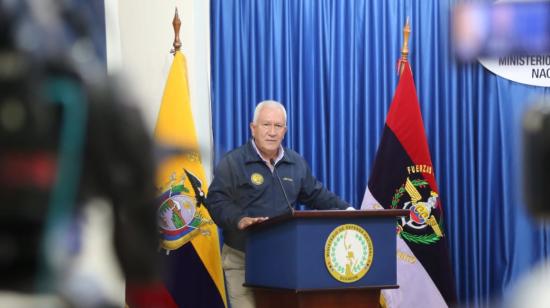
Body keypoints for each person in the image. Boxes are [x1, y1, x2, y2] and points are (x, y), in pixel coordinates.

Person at [205, 100, 353, 308]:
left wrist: (350, 211)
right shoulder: (233, 162)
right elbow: (216, 201)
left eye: (278, 126)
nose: (272, 132)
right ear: (253, 128)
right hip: (242, 259)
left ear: (285, 131)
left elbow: (317, 194)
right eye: (266, 125)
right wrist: (240, 219)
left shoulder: (295, 163)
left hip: (282, 261)